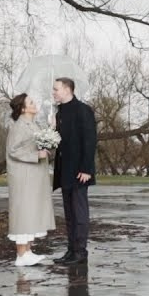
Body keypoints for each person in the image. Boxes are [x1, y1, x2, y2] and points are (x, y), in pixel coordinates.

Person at [51, 77, 97, 265]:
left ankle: (80, 252)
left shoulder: (83, 110)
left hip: (79, 171)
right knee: (69, 214)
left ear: (68, 89)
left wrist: (86, 168)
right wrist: (53, 128)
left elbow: (90, 140)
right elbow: (61, 142)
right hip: (65, 170)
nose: (53, 92)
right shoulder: (59, 112)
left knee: (79, 213)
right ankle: (71, 250)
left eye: (56, 89)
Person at [5, 93, 54, 266]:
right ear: (23, 108)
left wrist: (51, 128)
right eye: (31, 102)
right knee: (23, 213)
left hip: (33, 176)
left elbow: (38, 144)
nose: (35, 104)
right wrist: (36, 154)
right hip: (23, 177)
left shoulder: (32, 124)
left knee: (30, 212)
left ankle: (27, 251)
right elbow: (13, 150)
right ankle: (21, 254)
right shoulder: (19, 126)